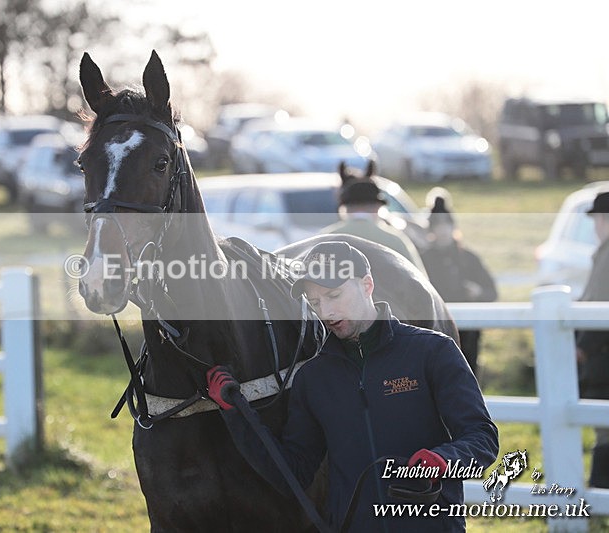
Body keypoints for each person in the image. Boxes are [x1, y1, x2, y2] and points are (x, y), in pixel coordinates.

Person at [206, 241, 499, 532]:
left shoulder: (433, 351)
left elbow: (482, 437)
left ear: (367, 285)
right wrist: (237, 413)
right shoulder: (313, 378)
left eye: (334, 295)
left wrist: (444, 460)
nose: (326, 312)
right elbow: (293, 474)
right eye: (315, 302)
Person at [421, 196, 497, 376]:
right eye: (438, 226)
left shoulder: (469, 259)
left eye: (445, 225)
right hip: (435, 328)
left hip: (468, 333)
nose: (442, 231)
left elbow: (492, 292)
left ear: (452, 227)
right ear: (432, 229)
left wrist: (478, 293)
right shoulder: (424, 260)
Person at [322, 162, 427, 275]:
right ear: (378, 207)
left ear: (343, 208)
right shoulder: (396, 241)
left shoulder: (325, 239)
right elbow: (421, 282)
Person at [576, 191, 609, 488]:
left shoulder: (606, 254)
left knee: (604, 430)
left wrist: (582, 347)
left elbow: (599, 303)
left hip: (603, 357)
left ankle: (600, 491)